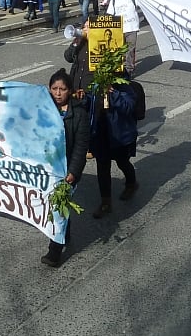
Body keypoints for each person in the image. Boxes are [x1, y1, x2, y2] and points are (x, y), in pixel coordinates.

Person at [40, 69, 90, 268]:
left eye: (62, 89)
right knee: (53, 208)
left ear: (70, 91)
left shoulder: (79, 114)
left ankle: (54, 253)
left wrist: (74, 172)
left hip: (67, 170)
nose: (58, 93)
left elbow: (80, 146)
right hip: (48, 169)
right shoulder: (44, 109)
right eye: (54, 89)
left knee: (58, 209)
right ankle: (65, 234)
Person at [88, 77, 139, 219]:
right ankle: (105, 202)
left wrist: (113, 93)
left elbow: (128, 107)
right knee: (102, 167)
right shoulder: (97, 84)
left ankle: (131, 183)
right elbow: (91, 104)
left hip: (119, 135)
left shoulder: (125, 87)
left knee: (122, 162)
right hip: (101, 132)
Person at [105, 0, 140, 77]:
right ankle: (118, 69)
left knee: (130, 49)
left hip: (132, 27)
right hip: (119, 29)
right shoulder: (114, 0)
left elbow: (145, 3)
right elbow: (109, 14)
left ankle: (129, 69)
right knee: (119, 50)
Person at [64, 19, 93, 96]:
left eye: (88, 27)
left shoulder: (98, 43)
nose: (85, 29)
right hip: (76, 88)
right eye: (84, 27)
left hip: (90, 89)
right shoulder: (80, 43)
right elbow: (68, 57)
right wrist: (74, 45)